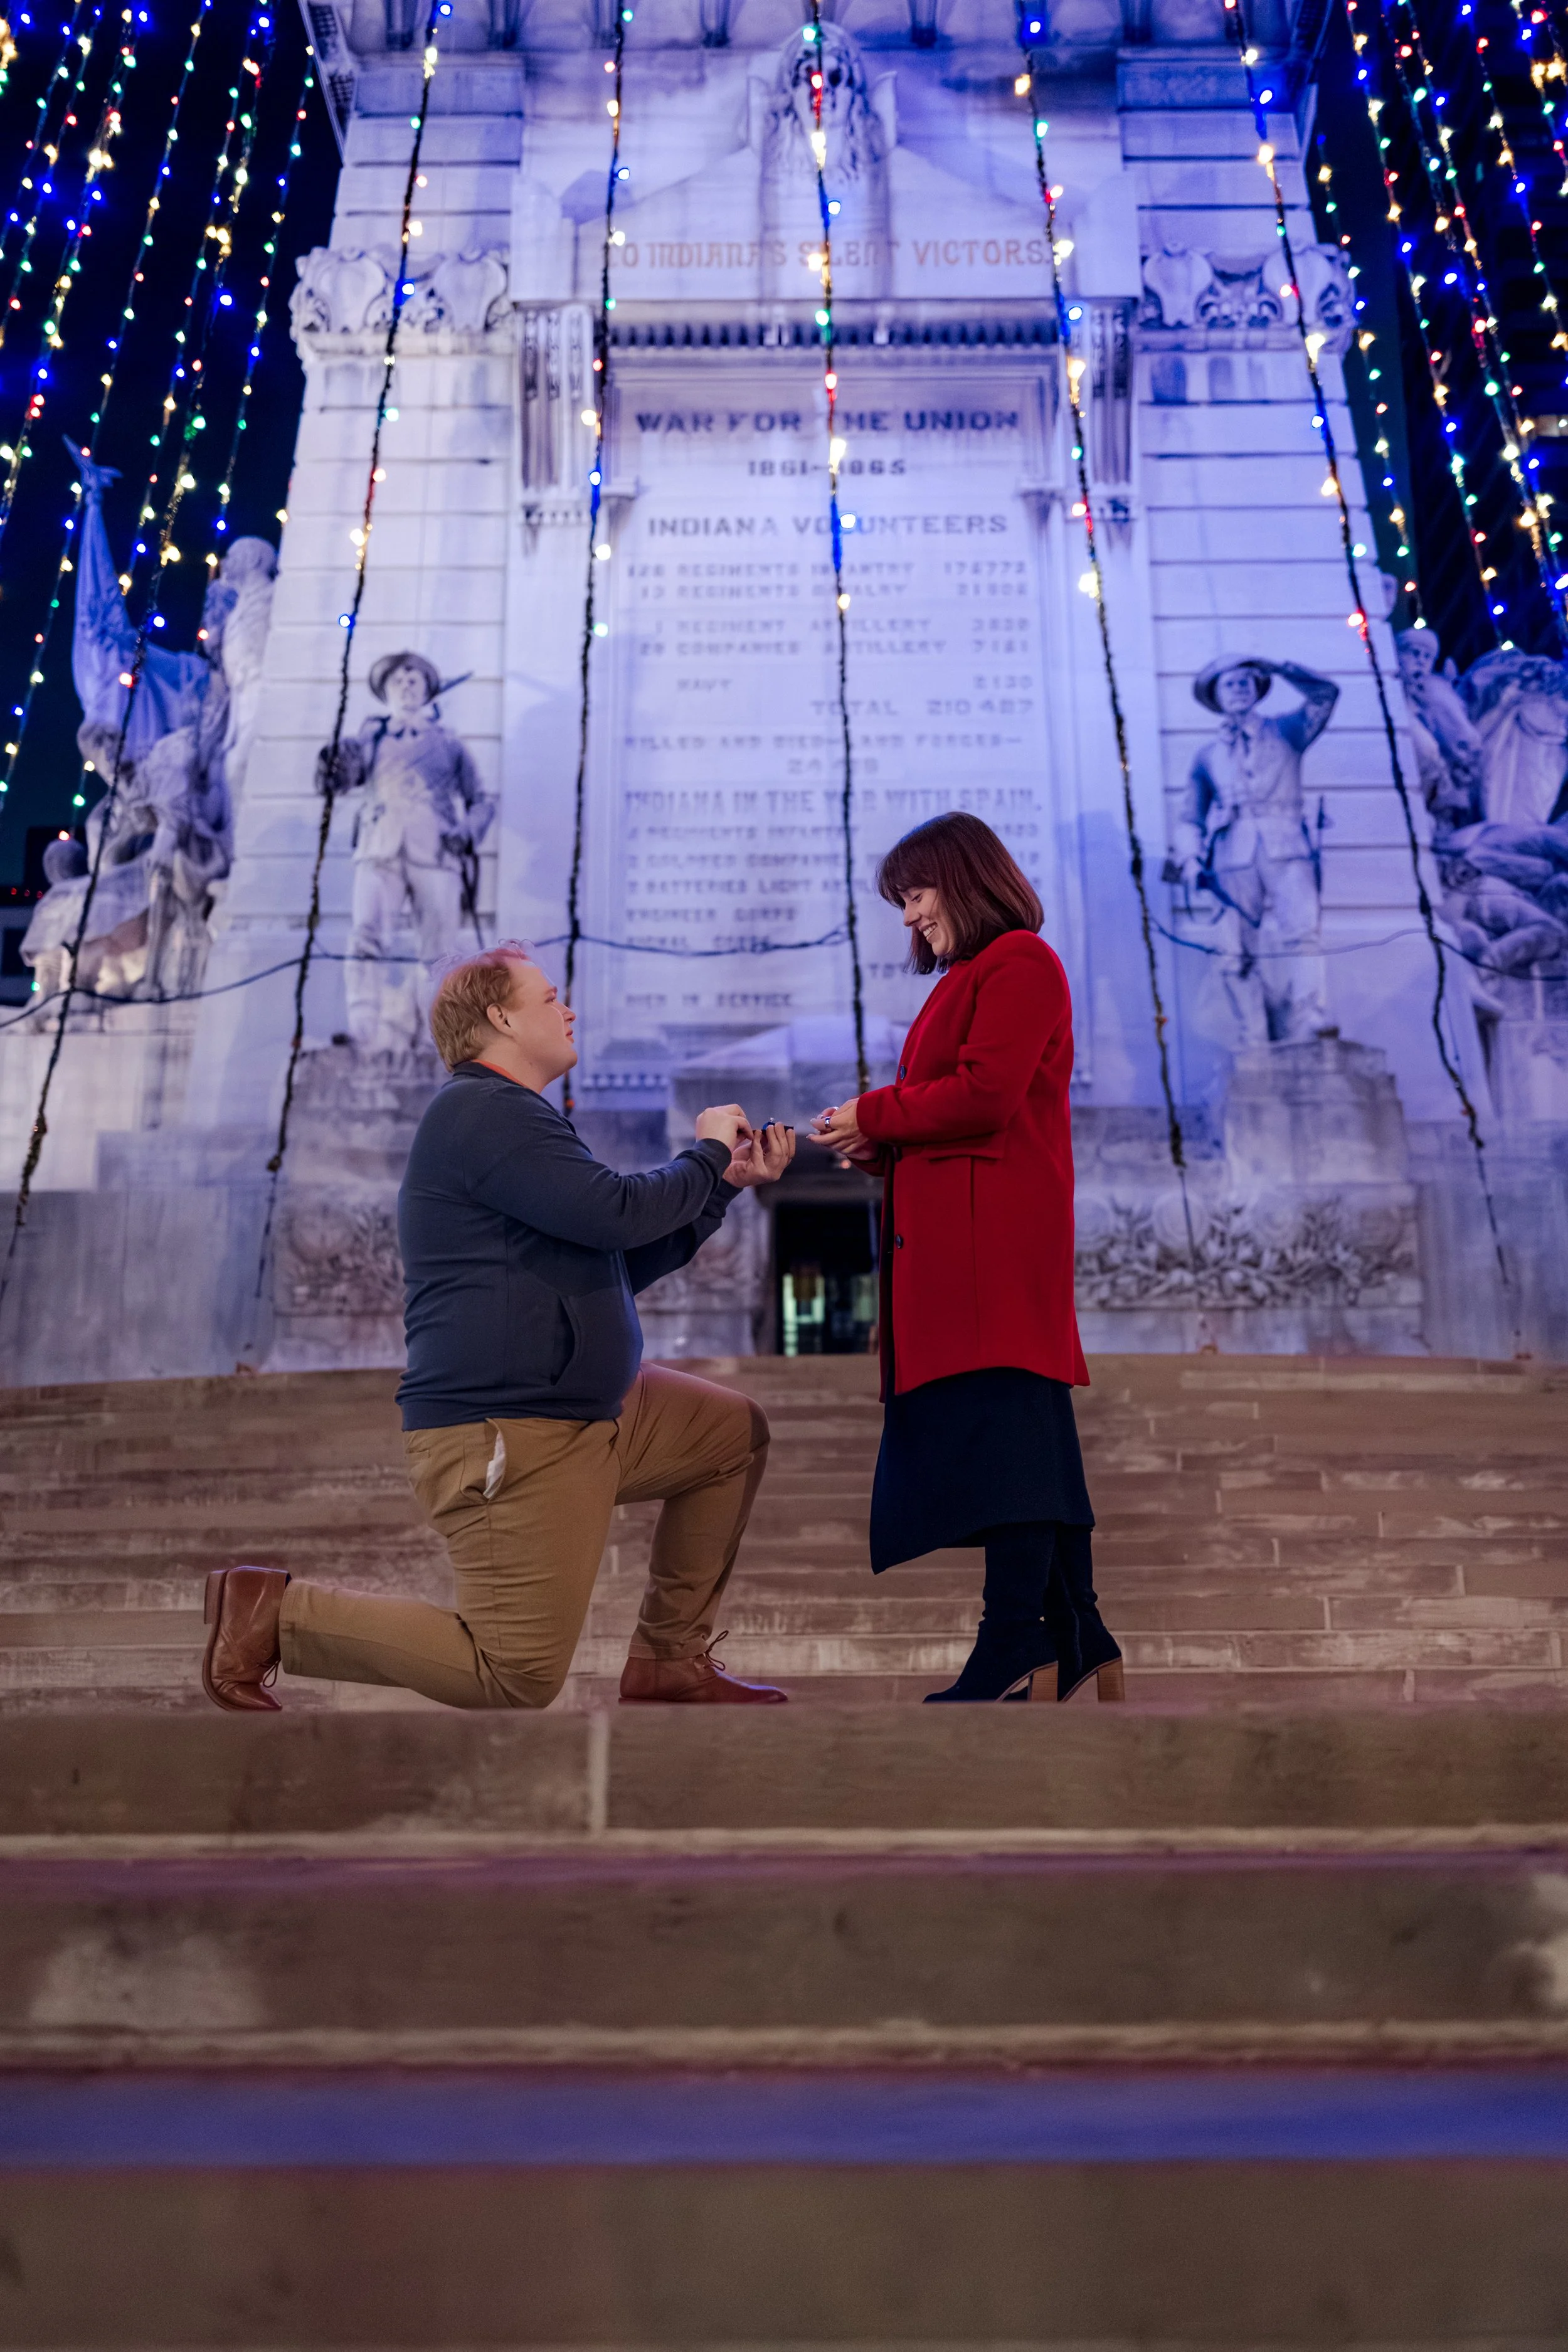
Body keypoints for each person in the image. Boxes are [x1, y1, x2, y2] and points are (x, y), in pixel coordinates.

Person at [201, 941, 796, 1712]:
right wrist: (710, 1151)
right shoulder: (481, 1111)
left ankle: (670, 1660)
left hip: (589, 1413)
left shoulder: (514, 1119)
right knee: (511, 1674)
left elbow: (612, 1258)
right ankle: (273, 1615)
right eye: (551, 998)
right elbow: (615, 1209)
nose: (570, 1008)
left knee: (728, 1435)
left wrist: (719, 1190)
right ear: (501, 1016)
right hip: (510, 1428)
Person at [810, 812, 1121, 1704]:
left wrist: (879, 1113)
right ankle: (1080, 1629)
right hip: (966, 1246)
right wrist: (883, 1140)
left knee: (1008, 1441)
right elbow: (957, 1104)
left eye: (915, 894)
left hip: (992, 1249)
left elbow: (986, 1095)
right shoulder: (973, 975)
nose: (908, 917)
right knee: (1022, 1438)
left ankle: (1016, 1639)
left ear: (962, 878)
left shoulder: (1021, 961)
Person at [317, 650, 496, 1056]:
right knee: (365, 937)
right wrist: (337, 760)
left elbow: (481, 801)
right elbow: (343, 777)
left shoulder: (448, 744)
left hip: (437, 852)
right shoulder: (371, 738)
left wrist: (466, 832)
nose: (407, 688)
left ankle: (435, 1035)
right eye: (399, 682)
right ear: (386, 692)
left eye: (415, 682)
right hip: (380, 847)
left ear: (429, 692)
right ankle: (362, 1028)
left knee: (439, 951)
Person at [1173, 654, 1339, 1044]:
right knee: (1235, 950)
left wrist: (1281, 668)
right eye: (1229, 684)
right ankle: (1253, 1033)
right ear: (1217, 696)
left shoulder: (1287, 730)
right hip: (1232, 854)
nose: (1239, 690)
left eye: (1247, 682)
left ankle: (1309, 1015)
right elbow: (1190, 816)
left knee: (1303, 934)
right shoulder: (1208, 755)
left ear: (1259, 689)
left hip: (1286, 845)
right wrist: (1191, 858)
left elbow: (1326, 695)